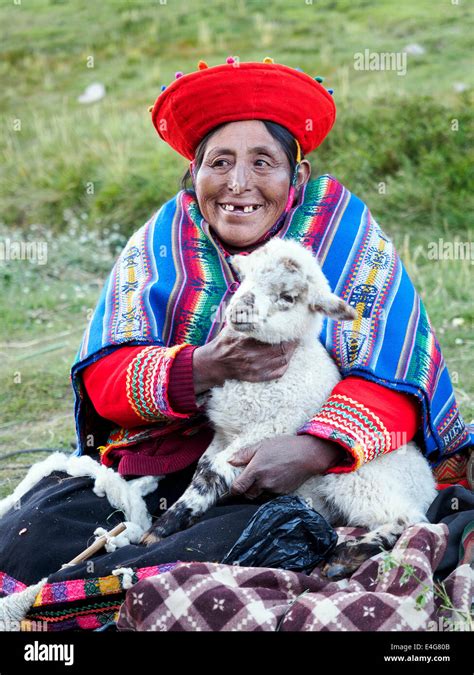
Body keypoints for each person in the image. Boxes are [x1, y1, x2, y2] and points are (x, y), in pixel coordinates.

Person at [0, 59, 470, 629]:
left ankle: (102, 604)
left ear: (297, 176)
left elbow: (395, 374)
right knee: (30, 539)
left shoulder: (345, 234)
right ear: (192, 174)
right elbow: (105, 386)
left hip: (311, 470)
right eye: (219, 162)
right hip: (167, 465)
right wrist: (202, 366)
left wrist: (313, 451)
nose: (238, 184)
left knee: (209, 554)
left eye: (262, 163)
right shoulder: (160, 243)